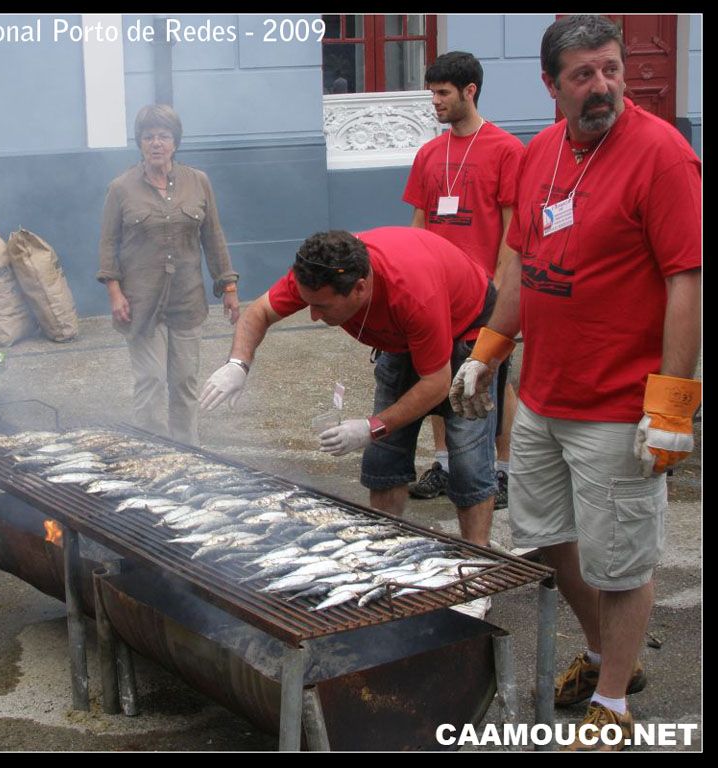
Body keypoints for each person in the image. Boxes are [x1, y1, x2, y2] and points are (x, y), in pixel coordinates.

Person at [449, 15, 701, 750]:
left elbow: (687, 281)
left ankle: (615, 707)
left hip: (620, 406)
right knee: (548, 538)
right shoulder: (541, 155)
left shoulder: (664, 158)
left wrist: (674, 405)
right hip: (544, 397)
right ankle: (600, 658)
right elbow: (526, 263)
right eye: (584, 75)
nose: (603, 88)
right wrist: (488, 349)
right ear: (551, 85)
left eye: (611, 70)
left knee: (621, 560)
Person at [200, 227, 501, 618]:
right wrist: (238, 364)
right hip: (400, 339)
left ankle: (475, 572)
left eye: (322, 308)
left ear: (359, 289)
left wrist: (371, 426)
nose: (312, 314)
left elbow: (436, 383)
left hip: (468, 330)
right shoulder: (318, 271)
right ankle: (384, 556)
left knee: (467, 458)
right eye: (308, 304)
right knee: (384, 460)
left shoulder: (413, 293)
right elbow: (258, 312)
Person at [403, 51, 523, 513]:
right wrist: (412, 274)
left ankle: (503, 469)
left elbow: (514, 227)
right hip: (437, 289)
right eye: (432, 92)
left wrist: (499, 286)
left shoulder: (506, 149)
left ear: (469, 91)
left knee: (492, 375)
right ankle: (445, 464)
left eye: (443, 93)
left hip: (484, 291)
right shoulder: (429, 153)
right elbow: (418, 219)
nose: (434, 101)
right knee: (437, 367)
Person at [98, 104, 239, 445]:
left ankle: (187, 454)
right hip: (141, 302)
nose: (156, 143)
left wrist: (229, 286)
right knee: (150, 380)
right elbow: (108, 244)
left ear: (175, 142)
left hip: (187, 299)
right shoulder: (121, 187)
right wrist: (114, 294)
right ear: (140, 143)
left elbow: (213, 237)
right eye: (149, 137)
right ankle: (151, 455)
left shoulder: (198, 182)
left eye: (163, 136)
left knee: (185, 382)